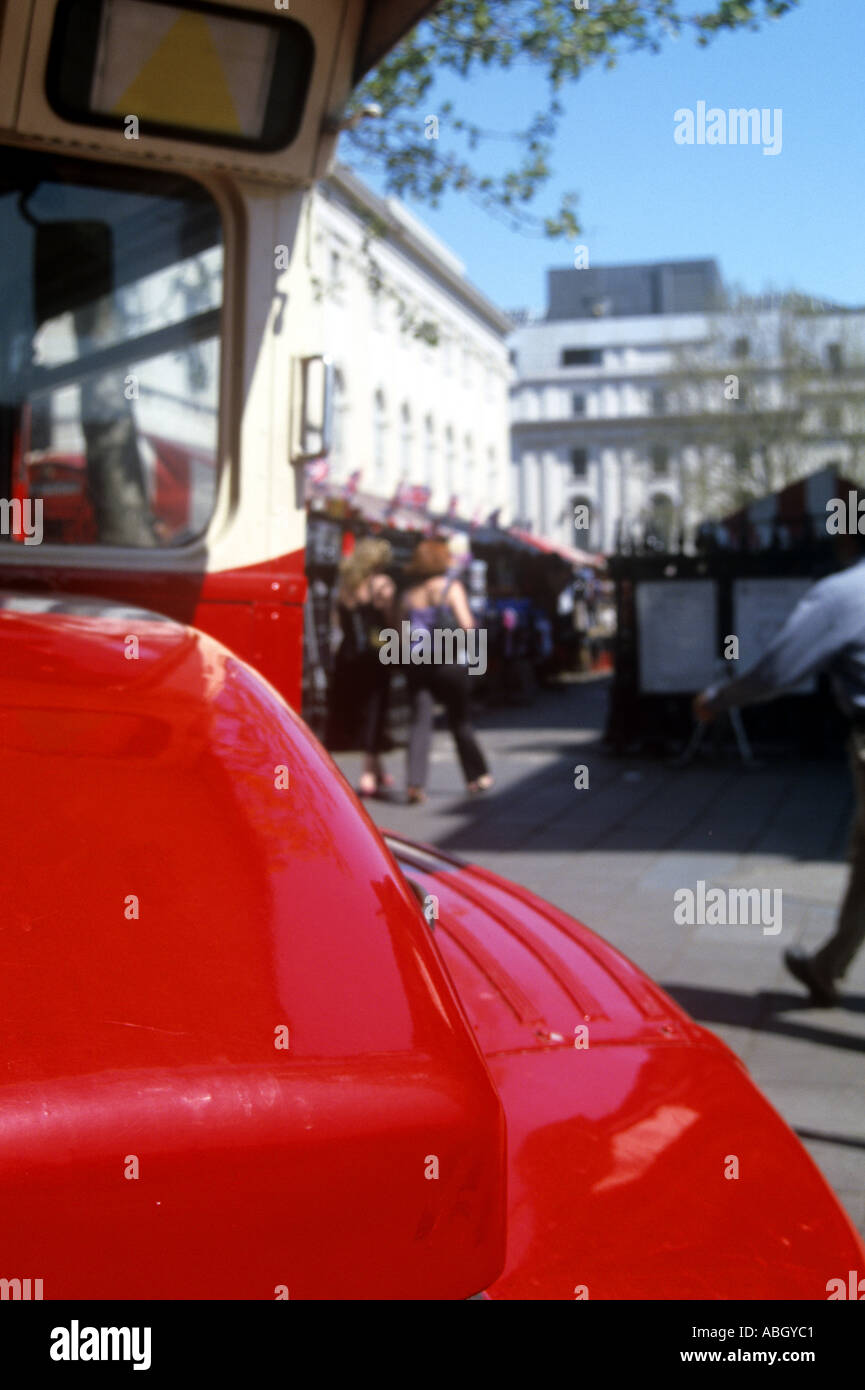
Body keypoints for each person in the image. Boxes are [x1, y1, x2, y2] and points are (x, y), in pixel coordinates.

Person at [693, 554, 865, 1005]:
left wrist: (718, 698)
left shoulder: (844, 593)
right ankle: (827, 967)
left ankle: (827, 966)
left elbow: (778, 669)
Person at [401, 537, 492, 804]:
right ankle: (477, 776)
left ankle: (415, 785)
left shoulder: (409, 594)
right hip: (449, 663)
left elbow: (398, 631)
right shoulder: (451, 588)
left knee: (420, 722)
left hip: (418, 665)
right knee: (460, 720)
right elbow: (467, 625)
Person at [325, 537, 395, 797]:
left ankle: (377, 768)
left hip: (348, 653)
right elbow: (391, 623)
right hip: (376, 654)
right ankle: (368, 772)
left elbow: (336, 621)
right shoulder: (383, 585)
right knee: (376, 711)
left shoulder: (347, 586)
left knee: (360, 709)